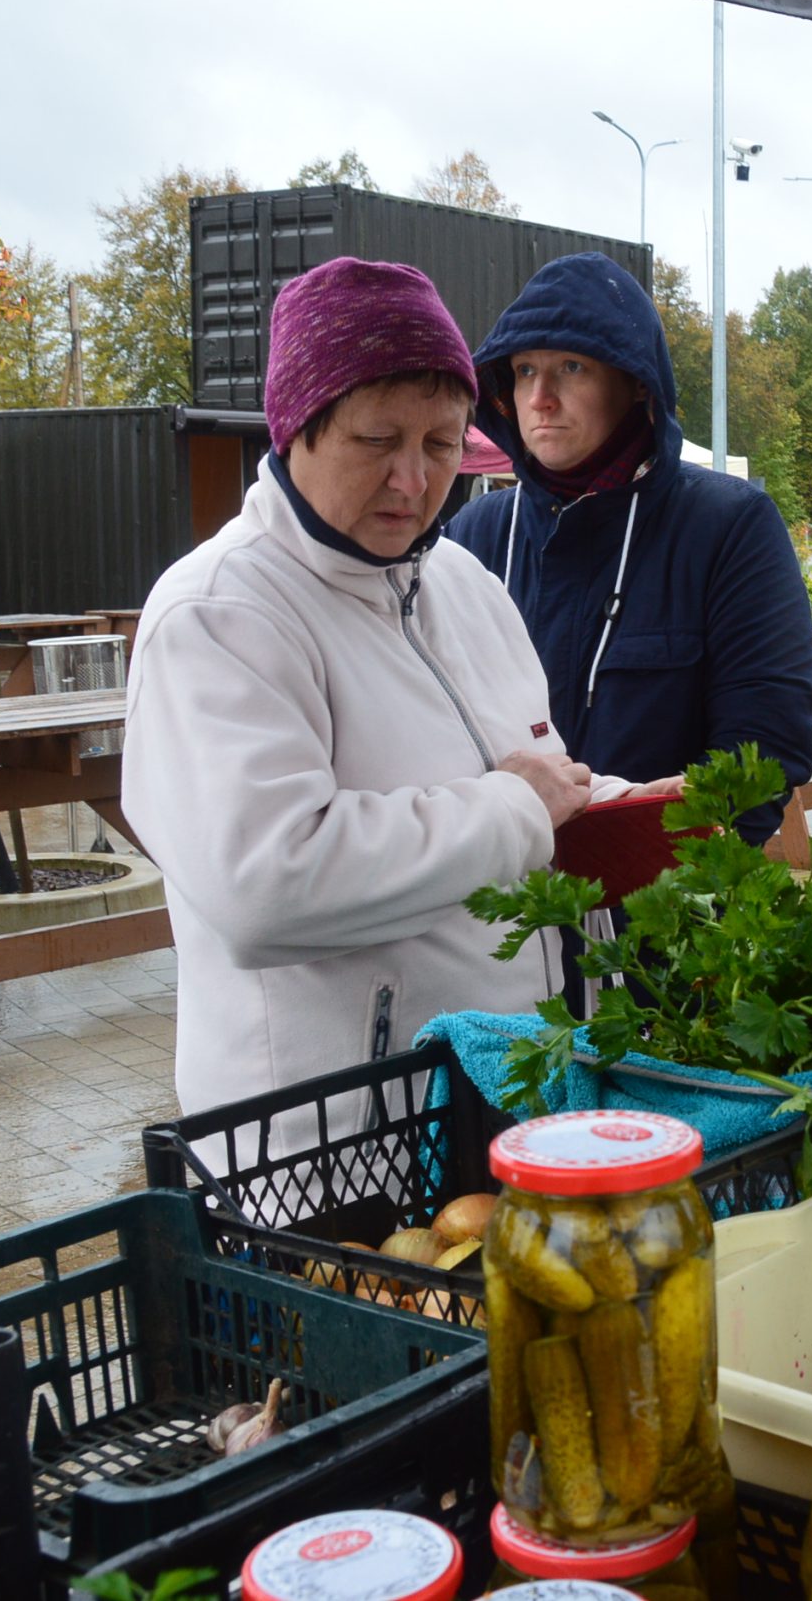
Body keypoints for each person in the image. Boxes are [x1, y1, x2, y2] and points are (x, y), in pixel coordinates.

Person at [125, 257, 618, 1122]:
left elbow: (531, 780)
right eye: (378, 441)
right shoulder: (221, 614)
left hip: (499, 1102)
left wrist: (627, 809)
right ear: (296, 429)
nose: (414, 480)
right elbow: (264, 887)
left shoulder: (466, 584)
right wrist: (515, 812)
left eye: (440, 445)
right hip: (333, 1143)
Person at [448, 253, 812, 843]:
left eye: (571, 367)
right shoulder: (472, 536)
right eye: (523, 371)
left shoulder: (730, 528)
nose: (540, 397)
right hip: (499, 885)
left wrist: (648, 841)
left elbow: (766, 748)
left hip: (666, 888)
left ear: (635, 382)